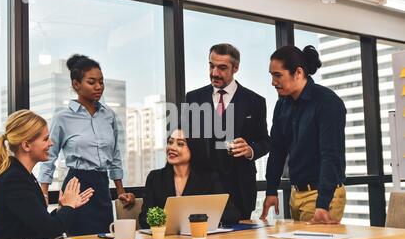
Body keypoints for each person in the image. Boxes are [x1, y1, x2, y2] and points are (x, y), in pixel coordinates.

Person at [38, 54, 135, 236]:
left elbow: (114, 156)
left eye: (101, 82)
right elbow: (49, 156)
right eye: (92, 82)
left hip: (102, 186)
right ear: (76, 84)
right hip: (76, 185)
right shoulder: (62, 117)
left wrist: (120, 191)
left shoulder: (109, 116)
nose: (98, 87)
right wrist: (43, 193)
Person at [260, 45, 347, 224]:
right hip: (296, 194)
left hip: (323, 195)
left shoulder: (328, 102)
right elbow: (277, 150)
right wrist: (271, 191)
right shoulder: (282, 105)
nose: (273, 82)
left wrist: (322, 204)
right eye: (271, 75)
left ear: (298, 73)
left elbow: (331, 156)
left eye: (278, 75)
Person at [0, 110, 94, 239]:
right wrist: (69, 206)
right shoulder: (14, 179)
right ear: (26, 145)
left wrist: (63, 208)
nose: (51, 143)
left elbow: (37, 223)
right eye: (45, 139)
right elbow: (50, 231)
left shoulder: (22, 175)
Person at [185, 43, 270, 220]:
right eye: (211, 65)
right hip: (202, 189)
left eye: (222, 68)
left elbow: (265, 141)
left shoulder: (255, 101)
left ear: (236, 68)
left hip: (240, 189)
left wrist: (250, 150)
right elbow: (185, 139)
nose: (214, 73)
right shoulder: (193, 98)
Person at [139, 128, 240, 229]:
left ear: (194, 148)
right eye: (170, 142)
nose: (172, 147)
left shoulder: (209, 178)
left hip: (200, 238)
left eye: (180, 144)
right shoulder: (155, 178)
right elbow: (144, 219)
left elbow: (232, 215)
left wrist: (200, 219)